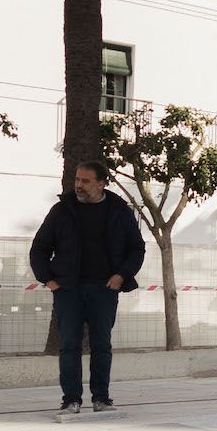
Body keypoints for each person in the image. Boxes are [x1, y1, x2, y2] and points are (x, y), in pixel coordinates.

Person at [29, 160, 144, 413]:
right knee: (69, 344)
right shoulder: (61, 210)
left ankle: (101, 398)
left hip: (105, 289)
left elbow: (136, 248)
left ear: (101, 183)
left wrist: (121, 276)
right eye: (77, 180)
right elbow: (39, 248)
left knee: (102, 344)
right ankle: (71, 399)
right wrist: (48, 280)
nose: (79, 185)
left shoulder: (119, 210)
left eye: (86, 181)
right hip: (68, 290)